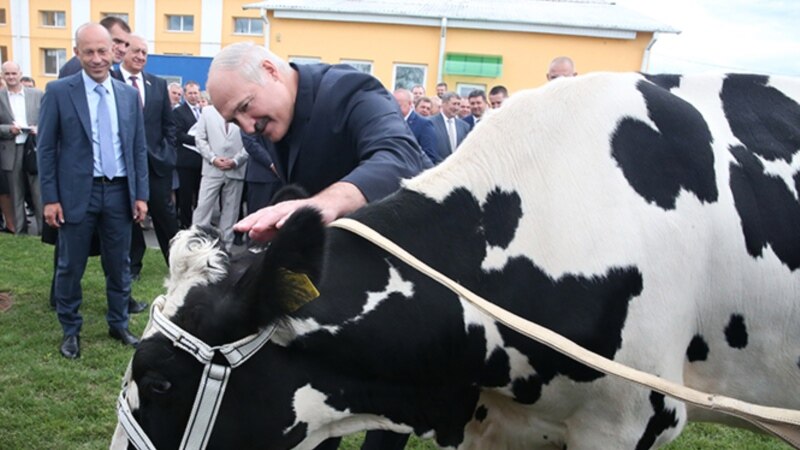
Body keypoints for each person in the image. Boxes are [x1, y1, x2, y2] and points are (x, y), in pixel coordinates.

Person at [207, 41, 428, 243]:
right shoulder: (271, 120)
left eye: (245, 107)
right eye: (234, 121)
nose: (247, 127)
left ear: (270, 71)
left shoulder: (351, 90)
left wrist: (326, 203)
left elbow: (400, 157)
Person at [38, 23, 149, 358]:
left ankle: (119, 324)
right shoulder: (59, 92)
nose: (97, 59)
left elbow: (137, 148)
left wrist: (141, 194)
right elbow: (45, 149)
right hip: (75, 196)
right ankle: (71, 330)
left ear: (114, 52)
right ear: (77, 53)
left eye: (103, 51)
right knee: (71, 266)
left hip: (118, 193)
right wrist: (51, 198)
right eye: (89, 52)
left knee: (119, 263)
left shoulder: (128, 96)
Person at [119, 34, 179, 279]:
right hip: (124, 166)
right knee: (128, 217)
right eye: (136, 51)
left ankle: (178, 265)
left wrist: (168, 153)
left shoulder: (157, 84)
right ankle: (133, 266)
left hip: (156, 165)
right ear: (123, 51)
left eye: (145, 52)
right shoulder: (111, 81)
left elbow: (169, 125)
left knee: (166, 218)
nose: (141, 56)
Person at [192, 104, 248, 248]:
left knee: (231, 213)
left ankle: (225, 251)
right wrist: (212, 158)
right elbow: (200, 139)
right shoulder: (207, 111)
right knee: (202, 209)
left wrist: (236, 160)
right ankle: (196, 246)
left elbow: (250, 139)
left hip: (236, 170)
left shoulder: (244, 111)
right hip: (211, 169)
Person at [0, 61, 44, 235]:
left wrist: (39, 128)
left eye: (14, 73)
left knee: (38, 192)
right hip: (11, 148)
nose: (11, 77)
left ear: (20, 73)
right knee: (15, 192)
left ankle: (44, 231)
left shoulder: (36, 94)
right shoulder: (1, 96)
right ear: (3, 75)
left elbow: (48, 117)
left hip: (33, 147)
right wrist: (8, 130)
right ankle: (20, 231)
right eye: (7, 74)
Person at [172, 80, 203, 229]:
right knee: (185, 195)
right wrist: (199, 140)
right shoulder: (178, 112)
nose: (193, 96)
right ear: (185, 95)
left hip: (202, 160)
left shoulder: (204, 111)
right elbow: (178, 134)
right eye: (190, 93)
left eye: (195, 92)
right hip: (185, 161)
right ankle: (185, 223)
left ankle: (199, 222)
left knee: (200, 194)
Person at [58, 16, 131, 78]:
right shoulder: (80, 68)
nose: (123, 50)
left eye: (126, 45)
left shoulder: (108, 72)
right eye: (117, 41)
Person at [394, 88, 439, 164]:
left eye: (398, 105)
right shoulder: (390, 120)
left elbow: (430, 157)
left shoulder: (424, 124)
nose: (393, 107)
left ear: (409, 104)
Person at [241, 133, 282, 213]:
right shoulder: (248, 121)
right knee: (257, 216)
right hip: (260, 178)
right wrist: (272, 163)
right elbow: (250, 143)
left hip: (283, 178)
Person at [430, 92, 470, 161]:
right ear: (444, 104)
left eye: (458, 104)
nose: (456, 107)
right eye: (454, 104)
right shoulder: (430, 123)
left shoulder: (464, 126)